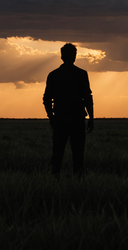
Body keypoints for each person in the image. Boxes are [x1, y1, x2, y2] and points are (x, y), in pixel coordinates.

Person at [43, 43, 94, 177]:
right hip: (77, 120)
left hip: (60, 119)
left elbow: (47, 99)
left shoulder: (53, 75)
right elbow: (87, 98)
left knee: (57, 154)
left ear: (61, 56)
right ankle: (78, 182)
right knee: (78, 154)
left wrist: (52, 118)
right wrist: (91, 118)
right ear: (74, 56)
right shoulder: (81, 74)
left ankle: (55, 182)